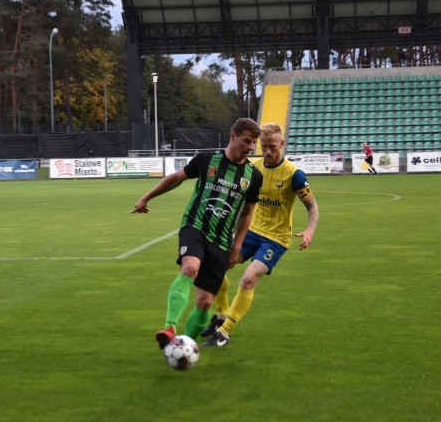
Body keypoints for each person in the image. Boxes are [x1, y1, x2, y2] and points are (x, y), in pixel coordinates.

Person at [132, 118, 263, 350]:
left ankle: (184, 346)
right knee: (190, 267)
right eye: (246, 141)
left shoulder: (253, 176)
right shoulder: (206, 159)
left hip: (222, 241)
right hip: (195, 226)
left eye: (253, 143)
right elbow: (176, 178)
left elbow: (248, 212)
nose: (250, 147)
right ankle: (170, 327)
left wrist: (236, 246)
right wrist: (146, 197)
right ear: (233, 136)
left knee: (204, 302)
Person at [200, 123, 319, 347]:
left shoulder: (294, 175)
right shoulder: (253, 169)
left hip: (276, 238)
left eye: (272, 146)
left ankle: (224, 332)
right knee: (215, 268)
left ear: (282, 144)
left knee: (248, 279)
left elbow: (312, 206)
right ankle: (221, 315)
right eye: (263, 147)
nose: (267, 152)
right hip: (251, 232)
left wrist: (310, 229)